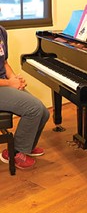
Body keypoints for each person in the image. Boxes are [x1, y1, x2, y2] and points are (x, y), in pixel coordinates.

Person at [0, 25, 50, 169]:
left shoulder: (2, 31)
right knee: (33, 109)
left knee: (44, 112)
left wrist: (15, 80)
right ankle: (14, 153)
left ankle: (26, 146)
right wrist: (9, 83)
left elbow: (4, 63)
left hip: (5, 83)